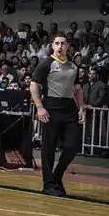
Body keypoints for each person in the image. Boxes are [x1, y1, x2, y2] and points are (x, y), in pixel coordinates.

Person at [29, 33, 85, 197]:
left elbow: (78, 89)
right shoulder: (46, 64)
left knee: (72, 145)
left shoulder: (74, 66)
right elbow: (34, 85)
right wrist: (39, 107)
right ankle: (48, 184)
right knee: (49, 148)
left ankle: (57, 175)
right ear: (52, 46)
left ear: (68, 46)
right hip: (51, 107)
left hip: (69, 108)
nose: (60, 47)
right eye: (57, 43)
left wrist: (82, 107)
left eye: (63, 43)